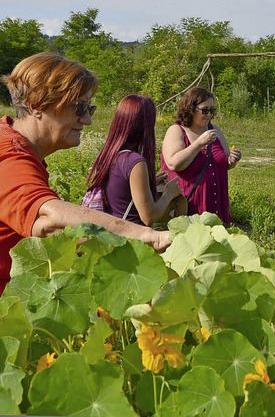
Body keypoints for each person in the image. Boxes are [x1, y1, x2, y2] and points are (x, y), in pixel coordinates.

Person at [0, 52, 171, 293]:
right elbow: (47, 219)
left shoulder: (18, 146)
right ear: (37, 105)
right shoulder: (8, 153)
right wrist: (146, 235)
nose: (88, 119)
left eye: (89, 107)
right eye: (79, 108)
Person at [85, 94, 186, 226]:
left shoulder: (111, 154)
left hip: (112, 233)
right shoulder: (135, 162)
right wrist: (169, 193)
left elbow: (120, 192)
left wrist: (149, 183)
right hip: (130, 237)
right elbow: (149, 216)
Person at [161, 87, 241, 224]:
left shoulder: (214, 130)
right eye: (205, 110)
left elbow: (223, 163)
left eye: (212, 110)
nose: (209, 114)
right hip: (187, 205)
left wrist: (232, 160)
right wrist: (199, 143)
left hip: (216, 205)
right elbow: (174, 164)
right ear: (190, 109)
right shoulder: (176, 130)